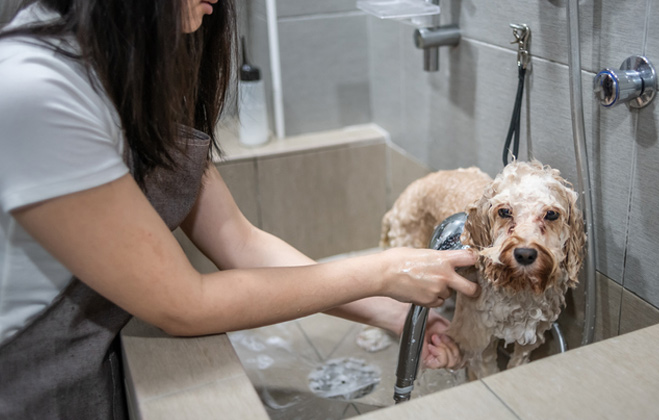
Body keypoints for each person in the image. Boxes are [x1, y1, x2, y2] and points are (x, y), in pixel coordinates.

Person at [0, 0, 478, 418]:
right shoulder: (36, 91)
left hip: (85, 361)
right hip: (27, 383)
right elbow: (184, 304)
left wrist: (391, 312)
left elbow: (240, 242)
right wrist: (381, 271)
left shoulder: (125, 72)